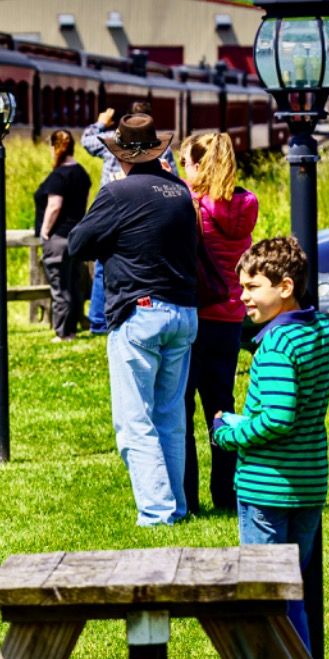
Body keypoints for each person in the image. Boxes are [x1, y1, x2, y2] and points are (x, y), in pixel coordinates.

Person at [210, 236, 329, 647]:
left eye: (253, 287)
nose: (243, 297)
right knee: (290, 587)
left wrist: (227, 433)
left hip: (266, 487)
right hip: (308, 486)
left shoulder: (276, 345)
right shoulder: (325, 329)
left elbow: (277, 419)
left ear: (286, 287)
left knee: (265, 593)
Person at [67, 112, 200, 526]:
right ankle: (176, 504)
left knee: (134, 421)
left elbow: (78, 243)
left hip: (139, 311)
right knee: (170, 416)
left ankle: (157, 512)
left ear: (121, 154)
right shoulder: (178, 190)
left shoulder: (117, 193)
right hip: (183, 310)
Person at [179, 132, 259, 512]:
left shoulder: (192, 204)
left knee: (182, 407)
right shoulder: (246, 203)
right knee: (221, 407)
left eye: (185, 164)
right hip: (230, 315)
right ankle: (226, 494)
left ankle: (188, 497)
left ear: (199, 165)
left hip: (197, 313)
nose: (183, 171)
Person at [82, 102, 171, 335]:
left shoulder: (110, 139)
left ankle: (98, 319)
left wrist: (101, 122)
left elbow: (87, 140)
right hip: (143, 210)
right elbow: (171, 179)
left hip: (109, 210)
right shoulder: (160, 147)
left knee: (103, 265)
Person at [34, 129, 92, 341]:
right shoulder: (81, 173)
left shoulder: (59, 176)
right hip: (76, 236)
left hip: (58, 237)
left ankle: (63, 332)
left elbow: (54, 206)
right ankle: (74, 326)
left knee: (59, 286)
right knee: (73, 282)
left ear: (54, 147)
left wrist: (45, 231)